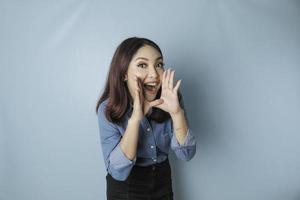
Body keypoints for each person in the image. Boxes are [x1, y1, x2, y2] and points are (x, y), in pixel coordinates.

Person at [96, 37, 196, 200]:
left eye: (159, 64)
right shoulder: (108, 109)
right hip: (126, 186)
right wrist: (135, 118)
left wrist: (177, 113)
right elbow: (118, 172)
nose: (154, 74)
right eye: (142, 65)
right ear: (123, 74)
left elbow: (186, 154)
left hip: (162, 180)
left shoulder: (171, 99)